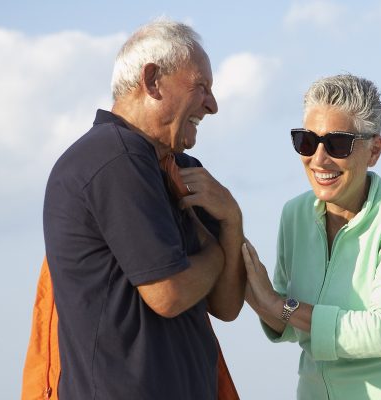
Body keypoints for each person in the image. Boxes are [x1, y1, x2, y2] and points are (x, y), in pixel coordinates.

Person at [42, 19, 246, 399]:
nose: (212, 105)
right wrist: (216, 254)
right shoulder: (112, 156)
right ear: (152, 80)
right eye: (201, 86)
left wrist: (231, 220)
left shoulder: (179, 168)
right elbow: (169, 294)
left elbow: (227, 304)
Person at [239, 74, 381, 399]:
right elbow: (290, 322)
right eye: (306, 142)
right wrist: (258, 296)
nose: (319, 159)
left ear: (374, 150)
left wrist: (279, 304)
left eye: (337, 144)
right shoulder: (293, 214)